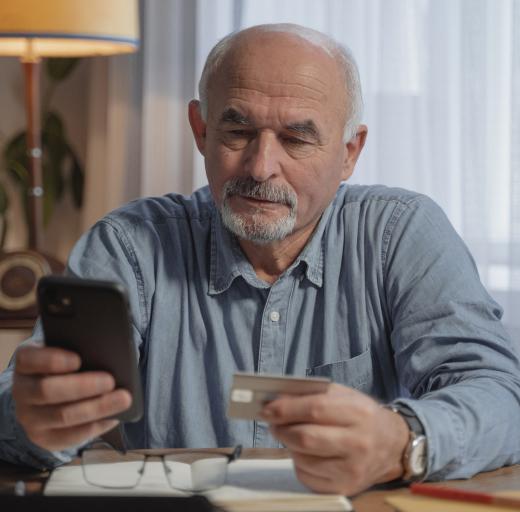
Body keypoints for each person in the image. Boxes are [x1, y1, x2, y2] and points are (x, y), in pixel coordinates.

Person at [1, 23, 519, 496]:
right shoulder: (130, 246)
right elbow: (17, 408)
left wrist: (402, 440)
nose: (260, 166)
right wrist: (33, 418)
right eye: (237, 131)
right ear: (200, 130)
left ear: (349, 153)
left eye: (296, 138)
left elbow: (501, 398)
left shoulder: (399, 234)